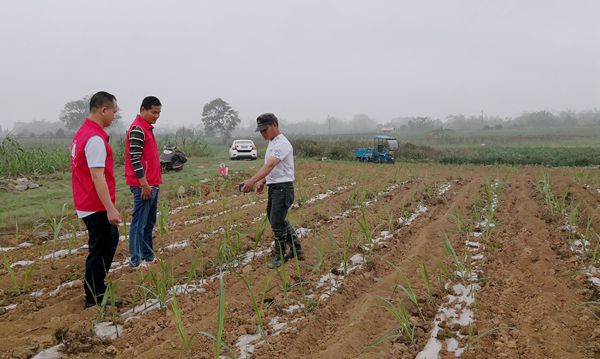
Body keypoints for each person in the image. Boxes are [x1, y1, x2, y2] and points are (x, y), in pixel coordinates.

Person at [70, 91, 122, 308]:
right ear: (103, 110)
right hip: (95, 204)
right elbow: (97, 176)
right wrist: (110, 208)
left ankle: (96, 289)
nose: (114, 117)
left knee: (106, 243)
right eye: (114, 112)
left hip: (87, 201)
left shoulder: (83, 133)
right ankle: (95, 296)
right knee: (102, 247)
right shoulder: (94, 139)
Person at [241, 113, 303, 268]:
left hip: (283, 189)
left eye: (265, 129)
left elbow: (269, 165)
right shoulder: (272, 142)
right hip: (275, 188)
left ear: (275, 125)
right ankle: (296, 249)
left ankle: (280, 256)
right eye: (260, 131)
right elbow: (273, 169)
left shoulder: (282, 143)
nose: (263, 133)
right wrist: (262, 181)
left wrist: (251, 181)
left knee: (277, 223)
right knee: (275, 219)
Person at [125, 96, 163, 268]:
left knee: (149, 223)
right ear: (143, 109)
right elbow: (135, 158)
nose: (156, 116)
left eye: (159, 113)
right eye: (153, 112)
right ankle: (136, 260)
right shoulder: (138, 129)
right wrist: (144, 184)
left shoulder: (147, 129)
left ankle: (148, 256)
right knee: (139, 223)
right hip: (144, 186)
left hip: (152, 184)